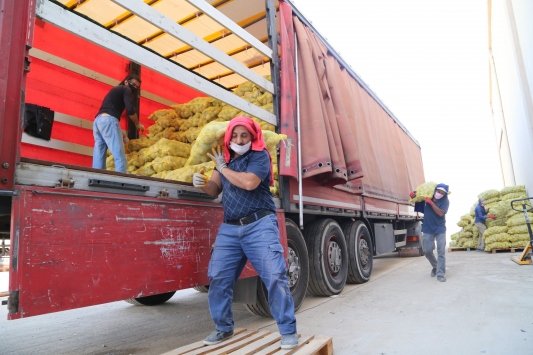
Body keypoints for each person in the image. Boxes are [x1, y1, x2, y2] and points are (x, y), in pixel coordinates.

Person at [192, 116, 298, 349]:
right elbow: (214, 189)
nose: (239, 140)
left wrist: (222, 168)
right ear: (229, 138)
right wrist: (201, 184)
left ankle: (288, 331)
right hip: (230, 229)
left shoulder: (259, 157)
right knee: (219, 277)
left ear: (252, 137)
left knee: (274, 276)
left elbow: (249, 183)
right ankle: (223, 328)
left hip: (259, 225)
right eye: (235, 136)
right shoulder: (224, 159)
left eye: (244, 136)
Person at [92, 74, 144, 173]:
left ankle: (97, 175)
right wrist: (137, 124)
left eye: (137, 87)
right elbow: (130, 110)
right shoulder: (126, 89)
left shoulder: (116, 90)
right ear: (126, 82)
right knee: (119, 152)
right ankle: (121, 178)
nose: (135, 88)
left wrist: (121, 133)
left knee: (99, 151)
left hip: (98, 121)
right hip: (109, 120)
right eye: (133, 84)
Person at [410, 183, 450, 282]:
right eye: (438, 191)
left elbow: (441, 213)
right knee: (427, 251)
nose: (439, 193)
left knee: (441, 252)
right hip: (428, 228)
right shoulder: (427, 197)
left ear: (445, 194)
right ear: (435, 190)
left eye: (442, 192)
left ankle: (440, 274)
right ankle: (435, 266)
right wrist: (413, 195)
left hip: (440, 229)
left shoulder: (445, 201)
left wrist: (431, 203)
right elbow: (416, 200)